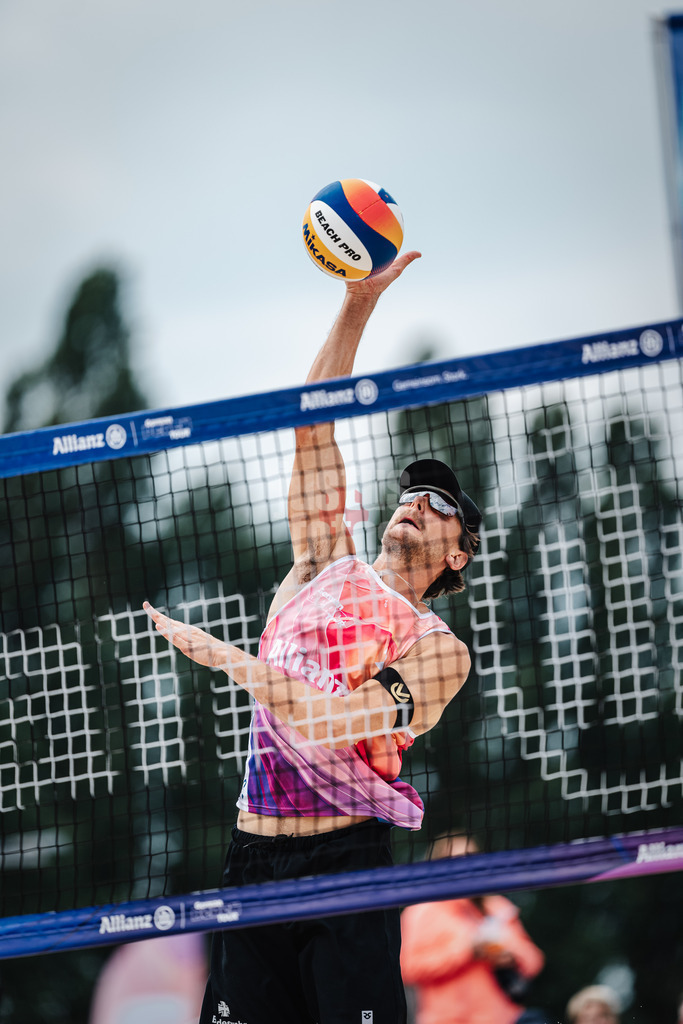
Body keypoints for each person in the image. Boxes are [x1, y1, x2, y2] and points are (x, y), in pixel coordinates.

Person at [144, 250, 483, 1024]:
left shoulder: (438, 648)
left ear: (458, 555)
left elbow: (334, 722)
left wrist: (226, 659)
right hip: (251, 858)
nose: (416, 502)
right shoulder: (322, 562)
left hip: (345, 865)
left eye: (440, 505)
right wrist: (358, 303)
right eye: (412, 492)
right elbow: (312, 424)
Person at [400, 836, 546, 1024]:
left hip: (503, 1018)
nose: (465, 865)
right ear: (439, 865)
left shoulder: (497, 906)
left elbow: (534, 960)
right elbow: (407, 967)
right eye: (454, 859)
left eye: (470, 857)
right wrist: (468, 950)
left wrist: (509, 956)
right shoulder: (422, 911)